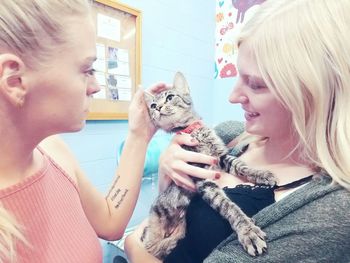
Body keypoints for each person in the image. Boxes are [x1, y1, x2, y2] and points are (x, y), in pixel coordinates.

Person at [124, 0, 350, 262]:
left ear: (313, 94)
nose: (232, 96)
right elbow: (165, 217)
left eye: (255, 84)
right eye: (237, 76)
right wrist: (167, 172)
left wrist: (132, 245)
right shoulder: (230, 135)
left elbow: (136, 241)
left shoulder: (329, 210)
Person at [0, 1, 166, 262]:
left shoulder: (52, 151)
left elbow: (110, 221)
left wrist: (140, 134)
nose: (97, 86)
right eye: (87, 69)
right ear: (15, 80)